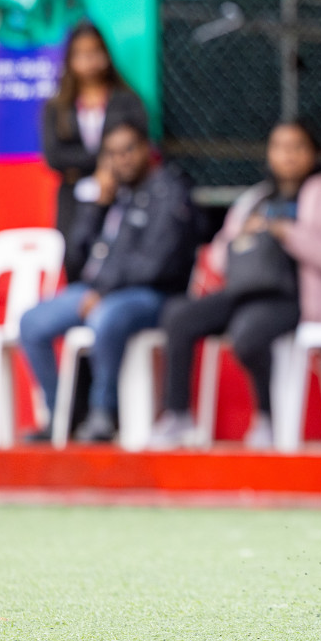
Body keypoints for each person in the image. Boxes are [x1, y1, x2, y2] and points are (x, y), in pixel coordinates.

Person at [148, 122, 321, 450]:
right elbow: (220, 257)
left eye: (297, 147)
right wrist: (243, 236)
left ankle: (267, 419)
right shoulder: (256, 197)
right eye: (279, 147)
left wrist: (287, 233)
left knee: (247, 333)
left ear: (314, 152)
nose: (287, 155)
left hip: (297, 297)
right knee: (179, 316)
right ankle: (177, 416)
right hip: (246, 291)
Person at [19, 121, 197, 443]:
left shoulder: (169, 191)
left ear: (146, 149)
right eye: (112, 153)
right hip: (97, 291)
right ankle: (60, 416)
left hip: (150, 296)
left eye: (128, 150)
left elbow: (156, 263)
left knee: (106, 316)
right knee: (31, 323)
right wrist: (97, 205)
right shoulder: (115, 193)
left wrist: (104, 292)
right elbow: (76, 256)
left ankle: (104, 412)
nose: (122, 160)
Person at [41, 23, 149, 281]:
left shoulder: (127, 100)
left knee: (117, 253)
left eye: (95, 52)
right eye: (81, 54)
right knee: (75, 256)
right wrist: (102, 161)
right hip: (74, 194)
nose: (89, 61)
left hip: (118, 190)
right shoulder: (58, 106)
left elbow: (139, 144)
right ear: (70, 59)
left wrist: (110, 173)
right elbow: (54, 156)